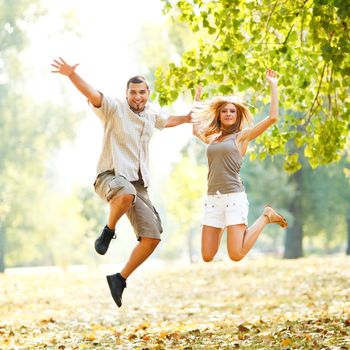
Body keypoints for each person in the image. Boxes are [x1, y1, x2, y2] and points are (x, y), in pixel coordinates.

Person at [51, 57, 191, 307]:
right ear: (126, 94)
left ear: (148, 94)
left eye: (142, 92)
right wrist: (71, 75)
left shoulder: (151, 115)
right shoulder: (114, 109)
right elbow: (93, 94)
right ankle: (109, 230)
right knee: (125, 193)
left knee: (153, 236)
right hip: (110, 176)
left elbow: (166, 121)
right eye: (133, 92)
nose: (137, 96)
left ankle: (119, 279)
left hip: (139, 185)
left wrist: (188, 118)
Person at [191, 69, 288, 263]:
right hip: (212, 200)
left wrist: (273, 86)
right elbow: (195, 129)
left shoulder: (242, 137)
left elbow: (272, 118)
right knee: (207, 255)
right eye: (224, 111)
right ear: (218, 115)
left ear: (237, 115)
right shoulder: (213, 139)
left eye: (232, 111)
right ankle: (225, 225)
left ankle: (267, 216)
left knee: (236, 254)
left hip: (234, 198)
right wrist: (197, 97)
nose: (228, 114)